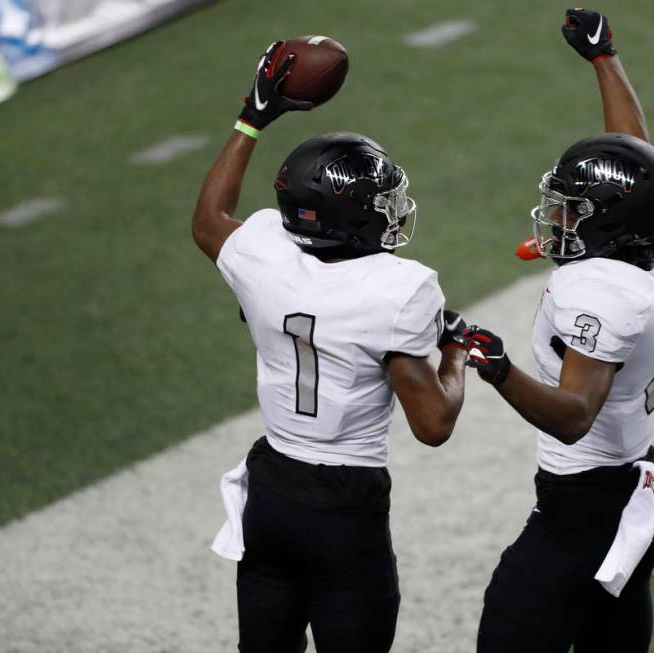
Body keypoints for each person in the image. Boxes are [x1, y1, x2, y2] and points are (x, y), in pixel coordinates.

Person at [192, 42, 468, 653]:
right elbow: (433, 424)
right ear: (349, 217)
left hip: (271, 490)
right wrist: (456, 352)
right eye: (379, 202)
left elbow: (210, 218)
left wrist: (251, 119)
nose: (392, 211)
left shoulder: (264, 250)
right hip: (344, 507)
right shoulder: (399, 288)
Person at [465, 9, 654, 652]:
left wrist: (495, 363)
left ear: (608, 224)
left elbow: (572, 416)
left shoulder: (599, 292)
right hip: (636, 482)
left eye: (573, 207)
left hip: (586, 508)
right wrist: (604, 57)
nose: (558, 214)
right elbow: (641, 162)